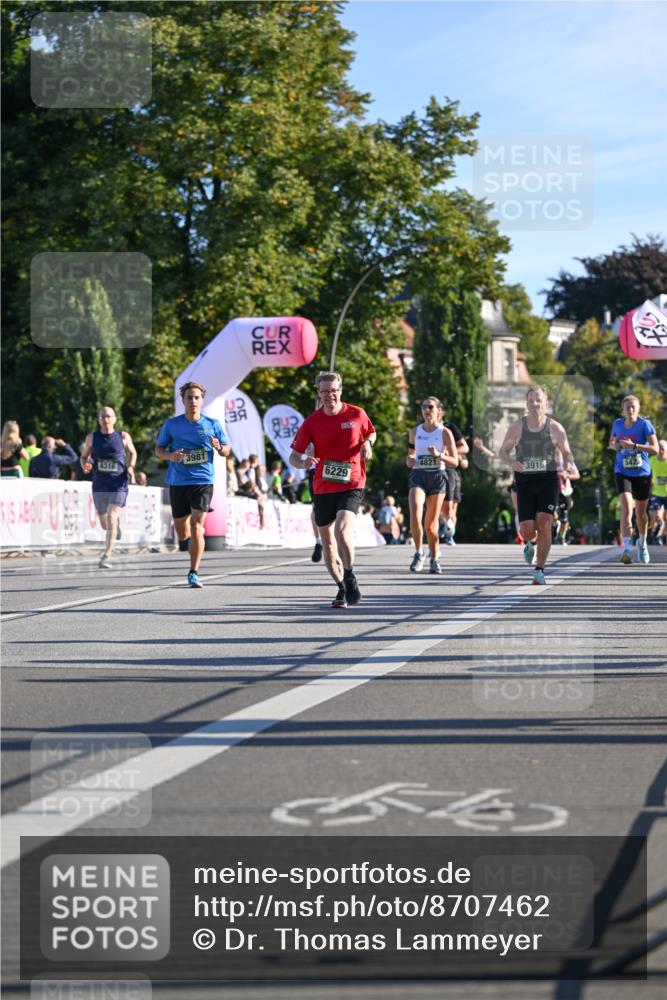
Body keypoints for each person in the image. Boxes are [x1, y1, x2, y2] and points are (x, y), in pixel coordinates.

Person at [289, 371, 375, 607]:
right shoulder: (312, 422)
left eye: (334, 390)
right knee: (327, 543)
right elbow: (293, 457)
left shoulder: (356, 414)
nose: (330, 395)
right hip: (323, 486)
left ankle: (349, 574)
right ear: (319, 393)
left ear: (340, 390)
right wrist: (304, 462)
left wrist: (367, 444)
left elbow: (371, 432)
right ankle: (341, 586)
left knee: (343, 530)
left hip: (352, 482)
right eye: (325, 391)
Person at [498, 385, 576, 585]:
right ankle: (530, 543)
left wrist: (567, 463)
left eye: (538, 400)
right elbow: (503, 452)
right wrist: (512, 463)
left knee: (545, 523)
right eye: (531, 400)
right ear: (527, 404)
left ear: (545, 403)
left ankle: (539, 570)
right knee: (527, 530)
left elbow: (566, 451)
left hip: (548, 481)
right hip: (524, 482)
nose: (535, 403)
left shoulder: (556, 428)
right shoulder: (517, 427)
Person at [155, 381, 230, 587]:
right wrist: (171, 456)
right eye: (189, 397)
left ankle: (193, 571)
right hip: (178, 481)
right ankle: (188, 543)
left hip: (203, 480)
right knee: (183, 531)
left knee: (198, 526)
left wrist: (219, 447)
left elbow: (226, 451)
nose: (193, 401)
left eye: (197, 397)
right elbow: (158, 449)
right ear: (183, 400)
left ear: (202, 400)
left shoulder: (212, 424)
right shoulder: (172, 425)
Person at [407, 397, 458, 573]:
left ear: (438, 410)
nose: (426, 410)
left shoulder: (445, 433)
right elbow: (410, 456)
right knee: (415, 512)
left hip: (437, 476)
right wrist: (410, 460)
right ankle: (419, 552)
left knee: (431, 525)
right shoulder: (414, 432)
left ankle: (434, 558)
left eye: (430, 407)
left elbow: (455, 461)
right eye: (423, 407)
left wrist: (439, 455)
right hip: (418, 475)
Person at [82, 406, 137, 569]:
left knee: (112, 515)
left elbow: (133, 453)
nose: (105, 419)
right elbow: (84, 457)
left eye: (108, 416)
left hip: (118, 483)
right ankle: (115, 526)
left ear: (115, 419)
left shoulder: (123, 436)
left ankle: (107, 554)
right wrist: (85, 465)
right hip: (99, 484)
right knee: (104, 523)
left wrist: (131, 467)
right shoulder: (92, 437)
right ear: (99, 420)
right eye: (102, 417)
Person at [608, 395, 659, 565]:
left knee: (641, 515)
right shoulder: (617, 424)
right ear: (622, 409)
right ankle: (627, 549)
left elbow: (655, 449)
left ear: (638, 409)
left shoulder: (644, 425)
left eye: (633, 407)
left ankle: (642, 544)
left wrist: (635, 446)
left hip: (642, 474)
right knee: (626, 508)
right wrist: (616, 445)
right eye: (627, 407)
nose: (630, 410)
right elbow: (612, 442)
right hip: (622, 471)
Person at [441, 416, 469, 545]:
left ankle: (450, 533)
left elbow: (465, 456)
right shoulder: (423, 428)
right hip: (435, 472)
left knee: (452, 508)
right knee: (441, 506)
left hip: (452, 472)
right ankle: (442, 527)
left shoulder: (449, 428)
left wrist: (450, 453)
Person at [554, 451, 581, 545]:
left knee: (564, 517)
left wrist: (567, 476)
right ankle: (555, 526)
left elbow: (577, 475)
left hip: (565, 491)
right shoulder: (548, 460)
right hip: (552, 491)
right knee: (552, 513)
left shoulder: (567, 461)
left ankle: (562, 537)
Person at [648, 439, 667, 545]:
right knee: (656, 515)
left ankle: (662, 535)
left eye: (663, 449)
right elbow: (647, 473)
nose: (660, 451)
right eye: (659, 449)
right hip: (656, 493)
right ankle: (654, 533)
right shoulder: (652, 460)